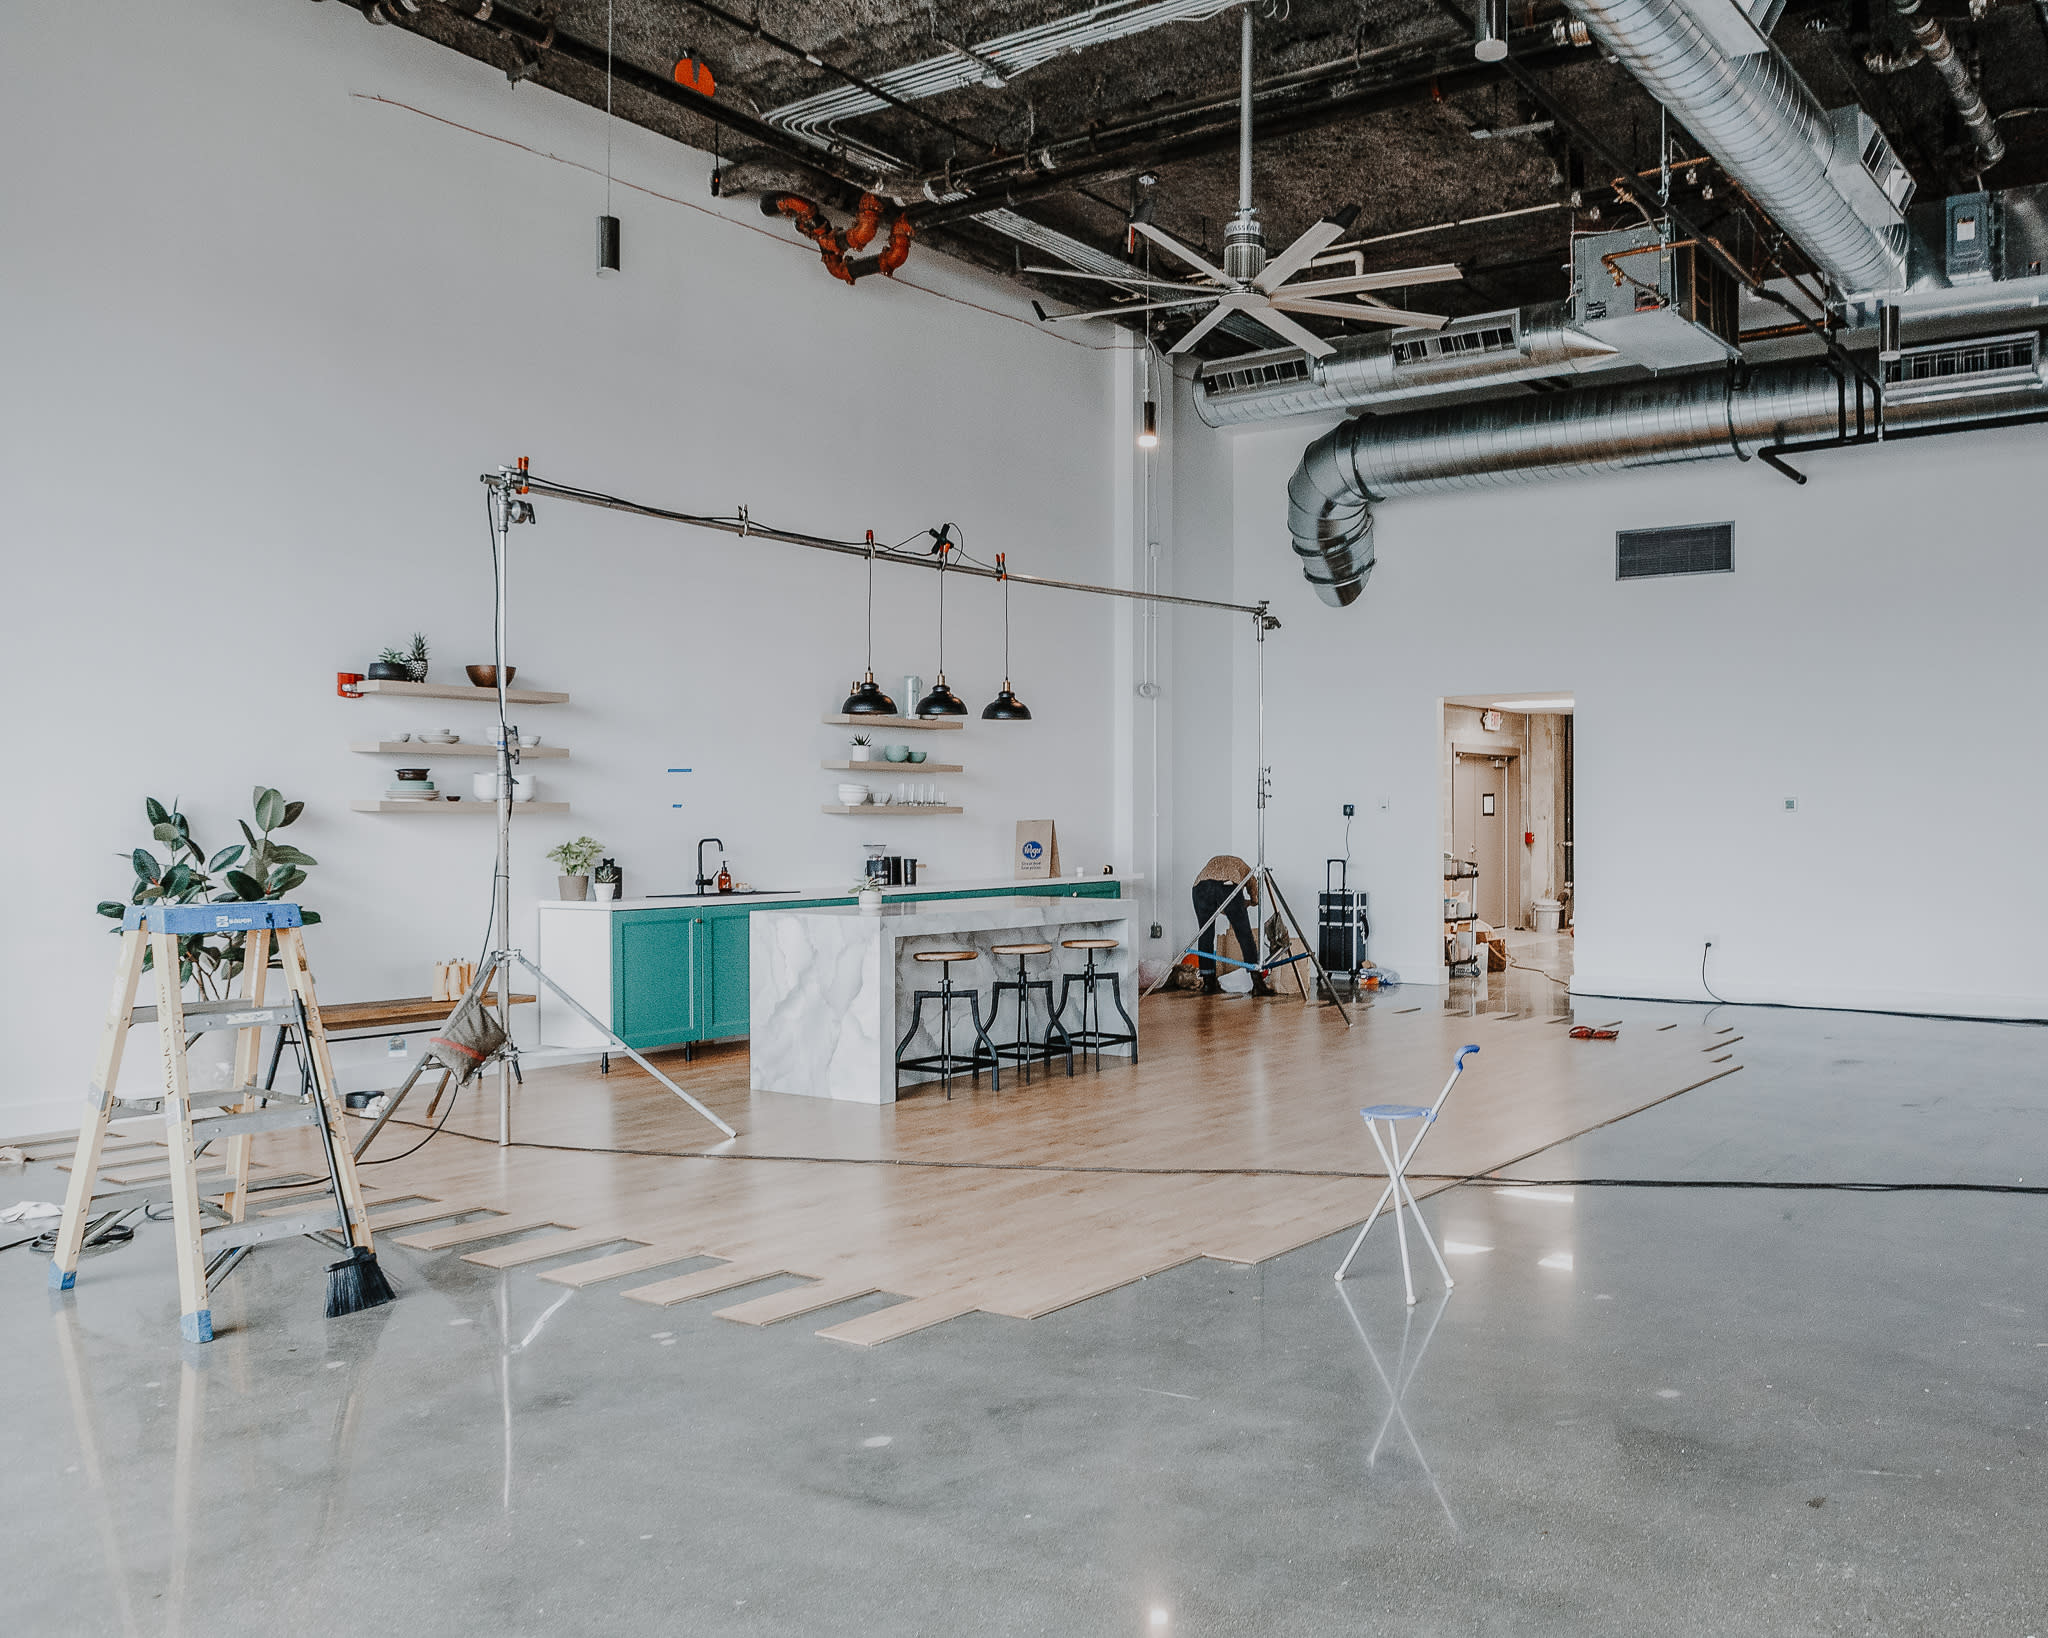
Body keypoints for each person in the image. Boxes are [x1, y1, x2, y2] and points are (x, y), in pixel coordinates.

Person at [1193, 854, 1277, 997]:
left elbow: (1220, 905)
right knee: (1244, 934)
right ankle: (1257, 984)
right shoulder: (1246, 870)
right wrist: (1252, 901)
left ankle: (1208, 983)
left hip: (1200, 887)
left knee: (1205, 933)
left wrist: (1238, 905)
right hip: (1228, 885)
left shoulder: (1216, 862)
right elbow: (1254, 892)